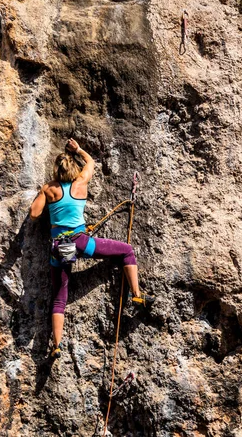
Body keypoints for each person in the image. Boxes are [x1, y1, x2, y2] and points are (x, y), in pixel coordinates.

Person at [29, 138, 152, 358]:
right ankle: (136, 295)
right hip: (81, 242)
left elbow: (34, 214)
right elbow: (91, 162)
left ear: (56, 169)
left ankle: (56, 346)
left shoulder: (49, 189)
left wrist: (44, 194)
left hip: (59, 248)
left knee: (59, 299)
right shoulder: (81, 182)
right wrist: (78, 149)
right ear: (74, 168)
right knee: (126, 251)